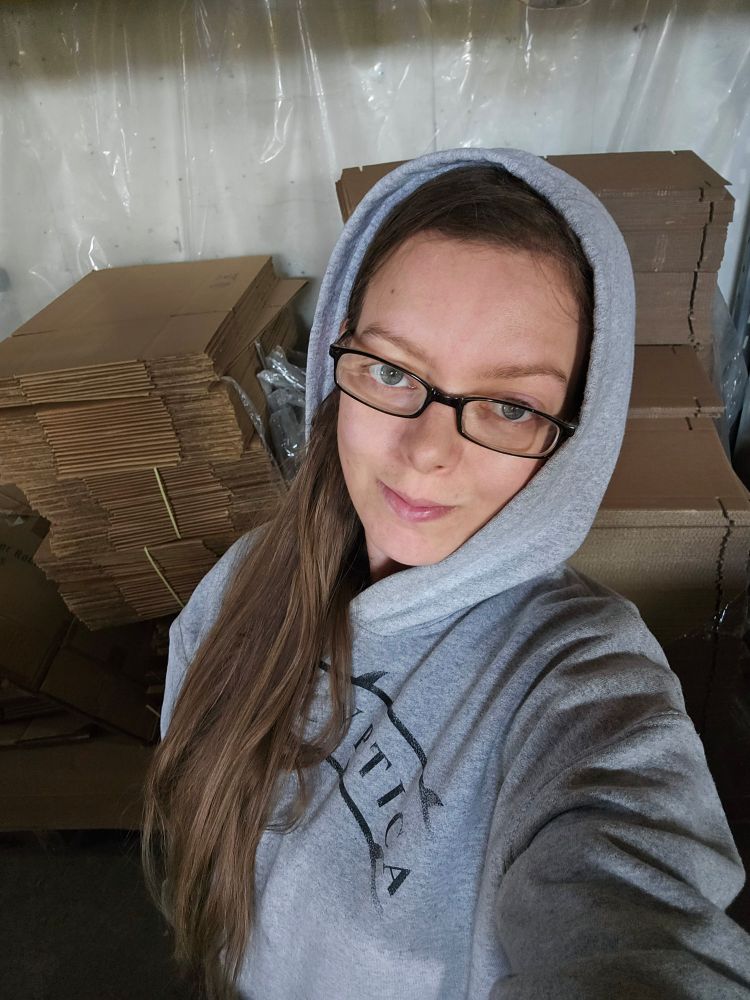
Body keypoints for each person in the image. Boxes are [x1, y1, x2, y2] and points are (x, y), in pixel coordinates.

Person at [142, 148, 750, 1000]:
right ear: (333, 368)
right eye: (392, 371)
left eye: (510, 406)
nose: (428, 452)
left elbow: (642, 921)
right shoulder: (243, 586)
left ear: (570, 436)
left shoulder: (576, 674)